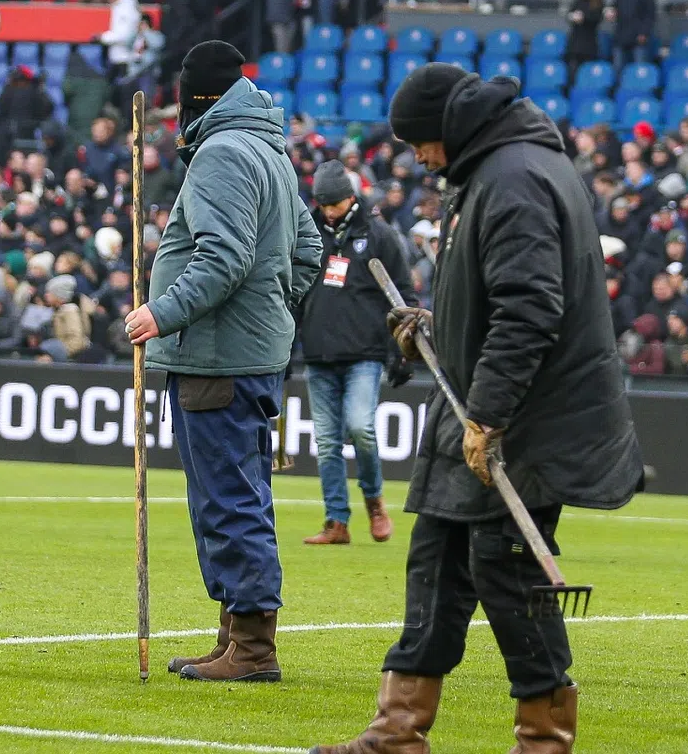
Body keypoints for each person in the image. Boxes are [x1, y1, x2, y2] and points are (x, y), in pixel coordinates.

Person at [312, 64, 643, 753]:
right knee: (434, 562)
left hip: (523, 420)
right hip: (482, 407)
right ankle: (397, 730)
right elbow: (499, 300)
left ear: (446, 130)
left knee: (510, 569)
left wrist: (488, 413)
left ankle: (544, 738)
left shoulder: (513, 178)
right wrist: (434, 326)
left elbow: (529, 310)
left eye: (417, 143)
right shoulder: (495, 170)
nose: (417, 157)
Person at [127, 41, 322, 683]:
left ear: (194, 97)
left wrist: (164, 312)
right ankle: (235, 632)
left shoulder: (221, 152)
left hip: (216, 355)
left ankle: (253, 648)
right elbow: (308, 250)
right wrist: (274, 313)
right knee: (241, 492)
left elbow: (225, 257)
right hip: (248, 353)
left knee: (227, 499)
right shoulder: (270, 150)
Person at [297, 160, 412, 547]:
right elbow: (292, 291)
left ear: (351, 197)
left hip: (366, 352)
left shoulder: (379, 235)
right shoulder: (307, 232)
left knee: (361, 428)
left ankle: (375, 502)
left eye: (335, 204)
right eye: (323, 205)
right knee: (327, 442)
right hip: (318, 352)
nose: (329, 212)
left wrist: (403, 351)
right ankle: (336, 521)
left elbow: (404, 298)